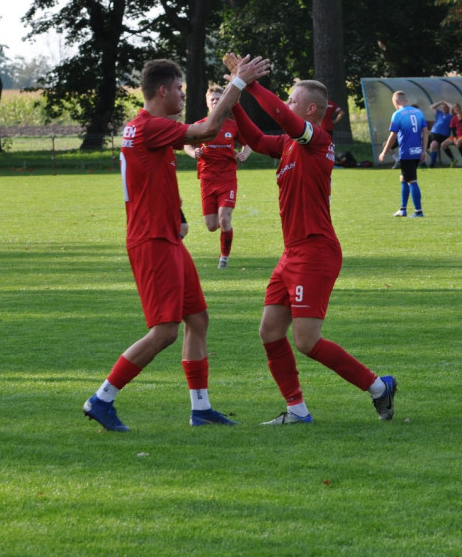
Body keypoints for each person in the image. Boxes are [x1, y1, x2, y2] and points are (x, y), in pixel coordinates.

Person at [83, 55, 270, 432]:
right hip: (152, 241)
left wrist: (180, 216)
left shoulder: (146, 127)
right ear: (164, 90)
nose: (184, 94)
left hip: (166, 236)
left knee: (197, 320)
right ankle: (102, 398)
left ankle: (200, 409)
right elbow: (206, 131)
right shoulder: (149, 126)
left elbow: (154, 177)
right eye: (181, 88)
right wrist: (238, 84)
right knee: (165, 331)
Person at [223, 52, 397, 426]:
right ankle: (297, 410)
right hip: (293, 254)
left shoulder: (314, 139)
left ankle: (379, 387)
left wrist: (248, 82)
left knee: (306, 341)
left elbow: (281, 117)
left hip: (316, 251)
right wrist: (233, 93)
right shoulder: (288, 144)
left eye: (292, 99)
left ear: (311, 109)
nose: (286, 105)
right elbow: (253, 136)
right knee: (270, 332)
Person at [183, 84, 251, 269]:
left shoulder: (233, 125)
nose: (215, 102)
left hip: (227, 178)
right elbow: (186, 145)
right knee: (212, 226)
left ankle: (224, 259)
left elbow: (248, 143)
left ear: (224, 103)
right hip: (207, 179)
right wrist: (193, 152)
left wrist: (245, 153)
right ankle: (225, 234)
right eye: (212, 99)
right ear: (207, 102)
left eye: (219, 99)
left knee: (224, 219)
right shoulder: (200, 125)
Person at [378, 91, 428, 217]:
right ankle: (403, 209)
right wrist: (424, 150)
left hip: (406, 152)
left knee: (412, 180)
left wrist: (384, 152)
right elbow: (425, 132)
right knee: (404, 178)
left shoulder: (397, 114)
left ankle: (418, 211)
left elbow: (393, 135)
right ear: (406, 100)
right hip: (417, 151)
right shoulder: (418, 112)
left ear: (395, 101)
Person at [443, 103, 462, 168]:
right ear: (454, 111)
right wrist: (454, 138)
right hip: (457, 136)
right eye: (456, 109)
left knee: (458, 143)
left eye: (458, 108)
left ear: (460, 108)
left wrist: (461, 120)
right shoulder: (453, 118)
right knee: (443, 144)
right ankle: (453, 160)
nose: (458, 110)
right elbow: (453, 130)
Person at [427, 101, 456, 167]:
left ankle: (432, 165)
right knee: (421, 144)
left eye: (445, 107)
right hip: (433, 134)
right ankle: (421, 164)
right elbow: (431, 107)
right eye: (442, 107)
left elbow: (452, 107)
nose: (443, 108)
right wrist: (440, 102)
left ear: (448, 108)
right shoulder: (439, 113)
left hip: (442, 135)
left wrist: (445, 102)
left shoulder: (450, 115)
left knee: (433, 145)